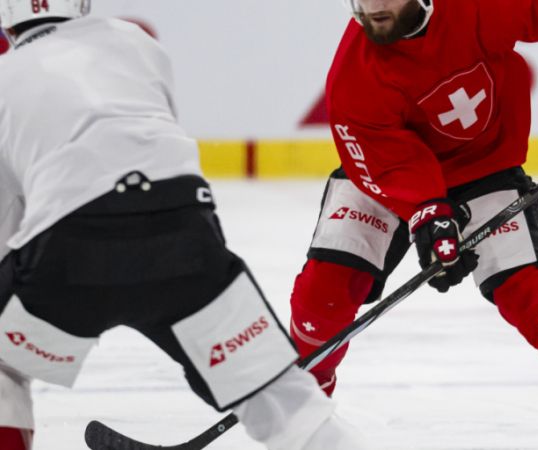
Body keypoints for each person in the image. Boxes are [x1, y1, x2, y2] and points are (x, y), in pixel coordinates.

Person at [288, 0, 538, 448]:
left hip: (484, 166)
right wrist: (429, 214)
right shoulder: (353, 75)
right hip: (385, 178)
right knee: (321, 301)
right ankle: (303, 425)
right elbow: (388, 165)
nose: (373, 7)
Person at [0, 2, 370, 449]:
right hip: (185, 238)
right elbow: (152, 144)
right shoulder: (134, 42)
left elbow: (7, 220)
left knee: (3, 367)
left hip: (71, 252)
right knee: (284, 403)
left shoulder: (5, 77)